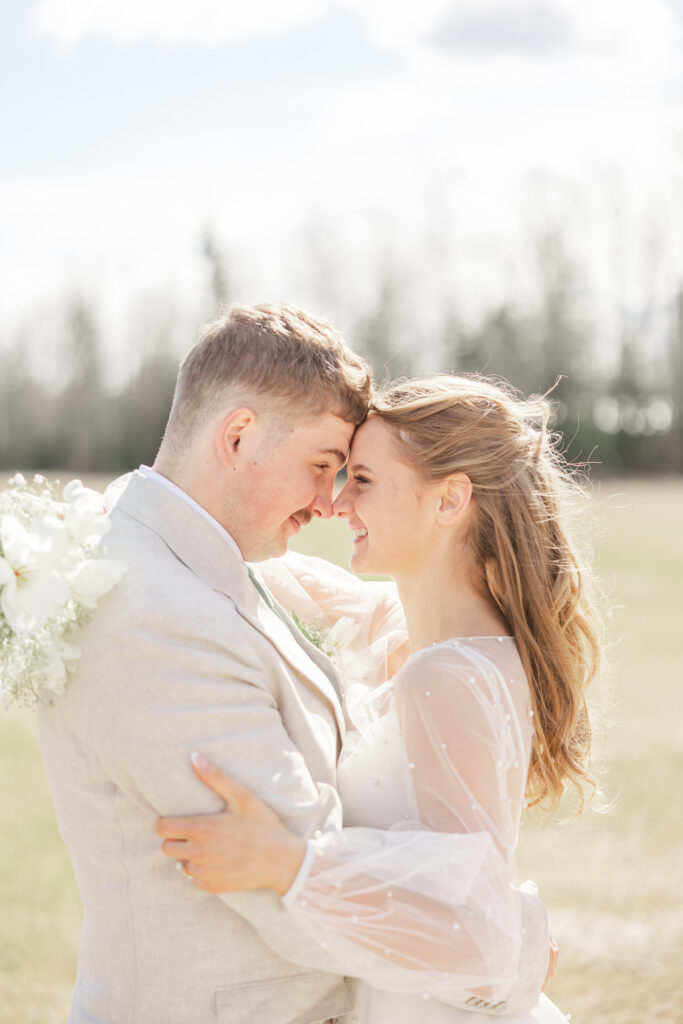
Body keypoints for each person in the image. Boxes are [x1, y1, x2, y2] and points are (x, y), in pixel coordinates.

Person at [36, 309, 550, 1024]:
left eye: (352, 476)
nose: (328, 502)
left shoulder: (204, 562)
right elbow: (284, 875)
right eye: (323, 466)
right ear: (238, 435)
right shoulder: (158, 612)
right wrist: (515, 946)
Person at [157, 374, 603, 1023]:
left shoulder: (445, 677)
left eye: (361, 480)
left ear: (449, 500)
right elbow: (265, 571)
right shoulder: (402, 624)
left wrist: (286, 865)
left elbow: (475, 935)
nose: (336, 504)